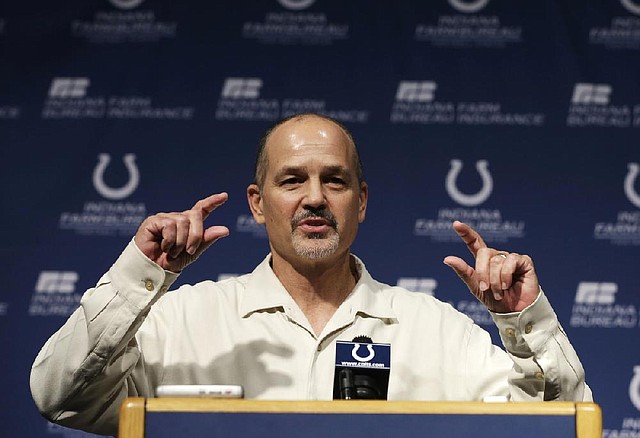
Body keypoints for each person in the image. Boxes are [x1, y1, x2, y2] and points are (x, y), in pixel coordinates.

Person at [30, 113, 591, 436]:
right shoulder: (183, 319)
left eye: (336, 181)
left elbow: (560, 427)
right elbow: (59, 394)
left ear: (362, 201)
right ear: (257, 202)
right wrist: (139, 275)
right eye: (292, 179)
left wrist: (525, 321)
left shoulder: (436, 330)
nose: (315, 198)